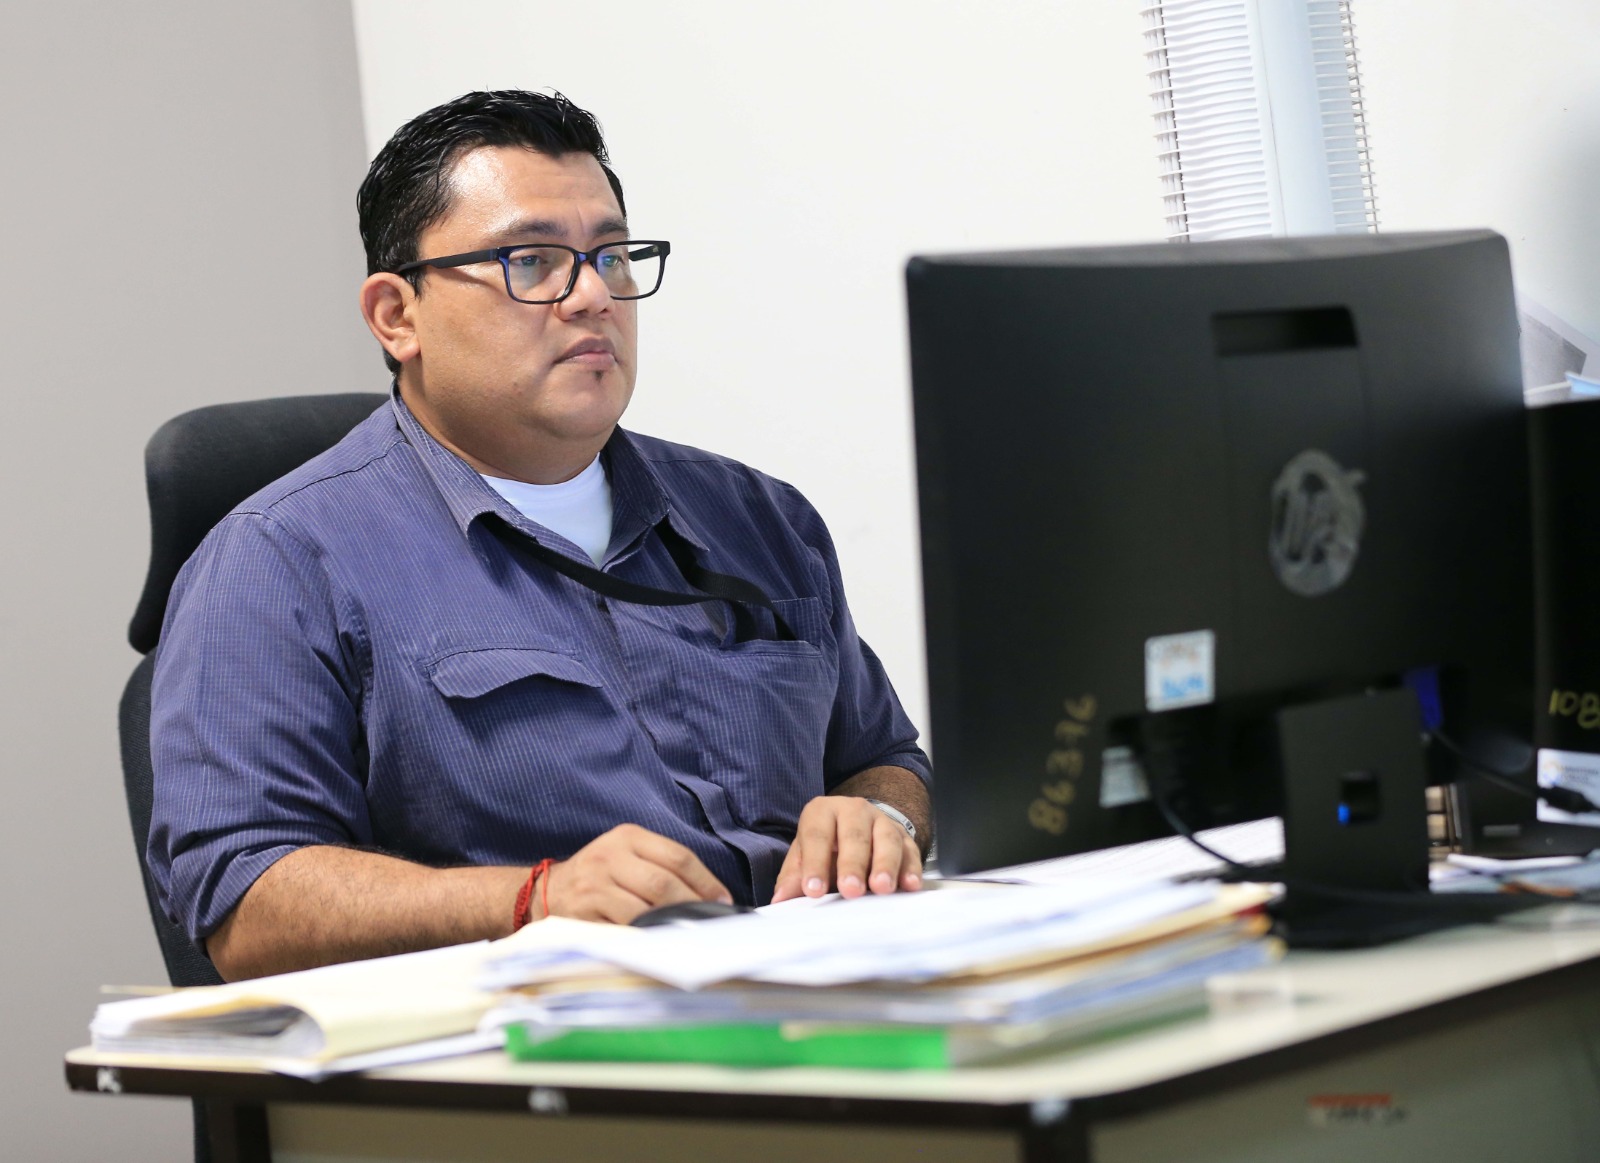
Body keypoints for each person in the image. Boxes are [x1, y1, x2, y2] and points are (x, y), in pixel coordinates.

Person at [147, 90, 932, 981]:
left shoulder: (762, 517)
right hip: (543, 1036)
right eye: (532, 261)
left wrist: (882, 818)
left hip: (825, 999)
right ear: (397, 315)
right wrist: (533, 901)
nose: (593, 295)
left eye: (611, 256)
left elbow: (884, 758)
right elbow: (242, 899)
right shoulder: (278, 561)